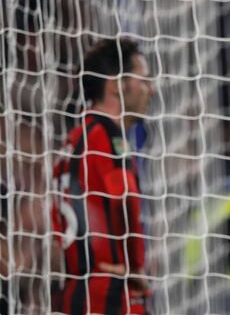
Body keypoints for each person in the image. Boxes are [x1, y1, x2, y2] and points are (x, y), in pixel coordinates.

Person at [51, 38, 155, 314]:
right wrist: (136, 266)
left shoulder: (73, 140)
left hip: (75, 290)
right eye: (144, 81)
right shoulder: (107, 136)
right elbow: (126, 195)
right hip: (108, 292)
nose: (151, 90)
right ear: (117, 86)